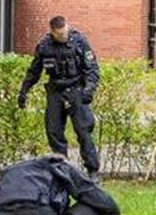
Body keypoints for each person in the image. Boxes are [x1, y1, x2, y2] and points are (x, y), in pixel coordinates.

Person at [17, 16, 102, 178]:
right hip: (55, 91)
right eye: (59, 34)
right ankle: (62, 169)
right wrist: (24, 91)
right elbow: (34, 71)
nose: (63, 36)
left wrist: (89, 89)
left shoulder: (79, 42)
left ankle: (93, 170)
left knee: (83, 131)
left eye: (64, 32)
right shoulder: (44, 46)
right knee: (53, 131)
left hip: (76, 89)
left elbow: (91, 68)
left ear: (67, 27)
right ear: (53, 32)